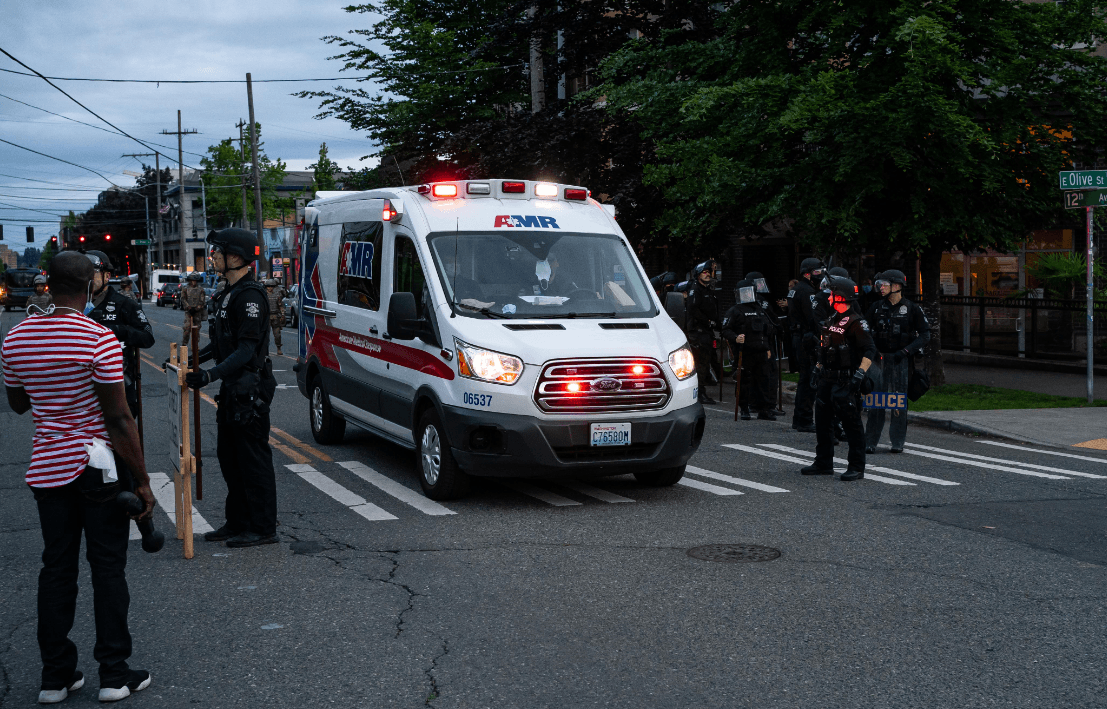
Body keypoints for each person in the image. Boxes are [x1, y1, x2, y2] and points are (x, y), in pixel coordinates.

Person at [2, 251, 155, 704]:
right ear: (90, 285)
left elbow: (17, 404)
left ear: (46, 283)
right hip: (95, 467)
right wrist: (143, 481)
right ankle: (113, 673)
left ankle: (56, 677)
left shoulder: (16, 338)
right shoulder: (98, 338)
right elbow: (119, 417)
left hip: (47, 466)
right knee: (107, 568)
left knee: (56, 568)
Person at [185, 228, 278, 548]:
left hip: (249, 389)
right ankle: (238, 521)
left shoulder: (250, 296)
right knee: (230, 458)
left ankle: (263, 527)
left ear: (236, 257)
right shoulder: (227, 292)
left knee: (253, 462)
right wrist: (194, 360)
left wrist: (209, 376)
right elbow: (222, 343)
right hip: (233, 390)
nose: (212, 257)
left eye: (217, 252)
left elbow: (246, 351)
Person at [800, 276, 876, 481]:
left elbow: (870, 351)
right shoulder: (833, 318)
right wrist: (817, 369)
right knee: (823, 422)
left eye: (832, 294)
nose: (829, 297)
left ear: (841, 296)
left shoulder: (857, 322)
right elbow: (825, 349)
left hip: (846, 380)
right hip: (827, 378)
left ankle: (857, 466)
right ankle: (824, 463)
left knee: (851, 424)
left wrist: (859, 375)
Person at [864, 269, 931, 454]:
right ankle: (870, 441)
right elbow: (864, 331)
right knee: (875, 400)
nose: (881, 287)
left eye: (884, 284)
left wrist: (906, 351)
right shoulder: (876, 307)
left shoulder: (911, 308)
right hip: (878, 360)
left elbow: (925, 335)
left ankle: (897, 442)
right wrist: (871, 350)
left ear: (897, 286)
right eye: (880, 284)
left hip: (900, 360)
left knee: (898, 402)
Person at [84, 251, 155, 419]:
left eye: (92, 272)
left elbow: (147, 337)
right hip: (83, 386)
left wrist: (118, 330)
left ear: (107, 275)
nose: (87, 277)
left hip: (119, 382)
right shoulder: (74, 305)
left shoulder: (124, 304)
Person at [722, 279, 776, 420]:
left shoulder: (759, 310)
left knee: (764, 381)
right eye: (743, 293)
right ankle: (744, 408)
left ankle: (763, 409)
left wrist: (768, 348)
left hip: (761, 351)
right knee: (743, 382)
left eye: (749, 292)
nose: (746, 295)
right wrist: (735, 337)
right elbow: (725, 329)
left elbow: (767, 331)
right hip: (744, 352)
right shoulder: (735, 311)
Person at [786, 258, 824, 432]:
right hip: (805, 339)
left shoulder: (796, 289)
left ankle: (799, 418)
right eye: (816, 272)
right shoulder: (808, 292)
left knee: (804, 378)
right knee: (809, 378)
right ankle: (804, 418)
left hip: (797, 336)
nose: (820, 275)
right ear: (807, 274)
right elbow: (812, 318)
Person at [745, 271, 787, 413]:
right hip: (764, 341)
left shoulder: (749, 300)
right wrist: (779, 328)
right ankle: (767, 405)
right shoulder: (759, 301)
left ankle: (755, 403)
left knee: (757, 373)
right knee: (768, 373)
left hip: (755, 341)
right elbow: (771, 319)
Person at [684, 259, 720, 404]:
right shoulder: (695, 289)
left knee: (708, 361)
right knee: (701, 363)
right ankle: (700, 393)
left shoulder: (707, 289)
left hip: (707, 331)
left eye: (709, 272)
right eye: (704, 272)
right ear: (698, 274)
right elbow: (693, 310)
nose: (708, 275)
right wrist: (707, 321)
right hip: (699, 332)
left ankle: (703, 388)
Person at [179, 272, 207, 347]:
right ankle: (184, 344)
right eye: (192, 280)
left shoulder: (201, 289)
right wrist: (188, 307)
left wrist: (197, 308)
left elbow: (202, 301)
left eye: (195, 280)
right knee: (187, 329)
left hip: (197, 312)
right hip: (188, 312)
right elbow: (183, 299)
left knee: (196, 330)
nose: (194, 282)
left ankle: (195, 345)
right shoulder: (185, 288)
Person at [264, 278, 287, 356]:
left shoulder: (277, 295)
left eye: (272, 286)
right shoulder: (263, 295)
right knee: (265, 335)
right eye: (268, 286)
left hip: (276, 316)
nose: (270, 288)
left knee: (277, 334)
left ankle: (278, 348)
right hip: (266, 317)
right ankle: (265, 350)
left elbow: (281, 305)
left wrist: (283, 314)